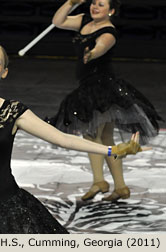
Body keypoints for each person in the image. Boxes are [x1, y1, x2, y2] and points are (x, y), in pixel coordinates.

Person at [0, 24, 146, 234]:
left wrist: (110, 149)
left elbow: (61, 138)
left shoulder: (14, 112)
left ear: (4, 72)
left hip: (10, 211)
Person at [45, 0, 163, 202]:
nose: (95, 7)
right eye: (94, 3)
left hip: (101, 90)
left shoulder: (109, 31)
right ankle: (120, 186)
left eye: (101, 4)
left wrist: (92, 53)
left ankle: (99, 181)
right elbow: (58, 21)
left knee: (91, 136)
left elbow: (102, 46)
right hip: (88, 87)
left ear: (112, 10)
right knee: (106, 139)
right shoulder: (84, 21)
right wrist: (71, 2)